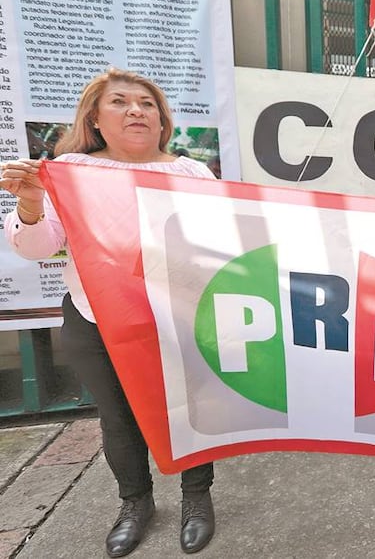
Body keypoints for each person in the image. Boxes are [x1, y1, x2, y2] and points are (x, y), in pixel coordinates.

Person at [1, 68, 219, 557]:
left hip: (178, 316)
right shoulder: (71, 171)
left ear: (162, 120)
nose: (136, 110)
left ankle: (197, 497)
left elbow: (217, 242)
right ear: (95, 119)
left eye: (147, 103)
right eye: (119, 102)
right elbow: (38, 247)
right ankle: (135, 503)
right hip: (97, 318)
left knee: (188, 410)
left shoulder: (191, 174)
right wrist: (32, 204)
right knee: (119, 417)